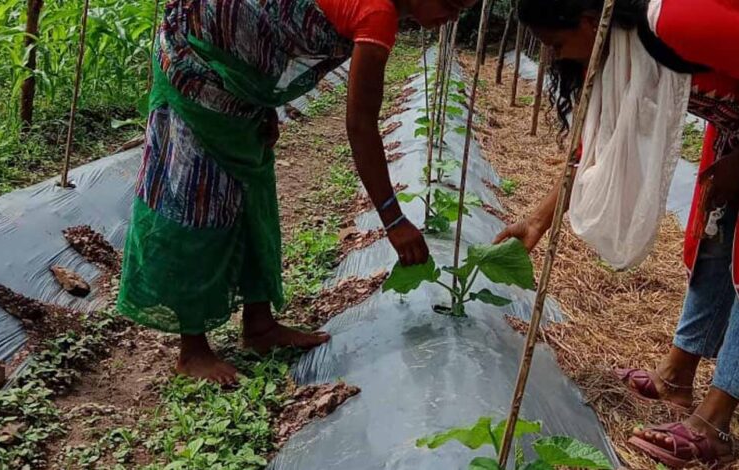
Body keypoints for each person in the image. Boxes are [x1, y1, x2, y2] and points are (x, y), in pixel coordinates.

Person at [118, 0, 475, 386]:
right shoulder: (377, 15)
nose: (453, 15)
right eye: (450, 3)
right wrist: (393, 218)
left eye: (462, 8)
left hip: (235, 81)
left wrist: (261, 99)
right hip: (195, 65)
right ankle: (193, 351)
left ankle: (260, 326)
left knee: (254, 197)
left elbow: (269, 28)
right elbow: (359, 124)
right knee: (194, 205)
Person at [494, 0, 739, 467]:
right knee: (716, 246)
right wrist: (537, 221)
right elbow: (591, 145)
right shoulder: (621, 56)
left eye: (555, 45)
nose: (555, 59)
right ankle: (676, 379)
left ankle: (714, 423)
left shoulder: (676, 22)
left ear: (585, 21)